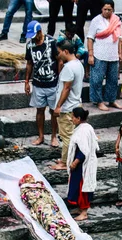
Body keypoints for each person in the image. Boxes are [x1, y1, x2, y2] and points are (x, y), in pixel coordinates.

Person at [19, 174, 86, 240]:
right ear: (25, 181)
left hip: (51, 207)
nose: (31, 178)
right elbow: (30, 201)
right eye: (28, 178)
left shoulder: (41, 186)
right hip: (42, 209)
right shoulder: (25, 190)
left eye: (32, 177)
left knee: (62, 223)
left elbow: (49, 197)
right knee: (52, 225)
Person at [24, 21, 61, 147]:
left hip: (52, 83)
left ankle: (54, 136)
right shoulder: (30, 45)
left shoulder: (51, 42)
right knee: (39, 110)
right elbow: (29, 63)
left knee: (53, 112)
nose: (34, 38)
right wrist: (26, 81)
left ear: (40, 32)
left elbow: (59, 60)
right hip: (38, 83)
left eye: (35, 35)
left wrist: (60, 79)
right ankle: (41, 136)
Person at [51, 40, 84, 170]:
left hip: (67, 107)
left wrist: (58, 106)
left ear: (65, 51)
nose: (58, 55)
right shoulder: (78, 64)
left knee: (66, 136)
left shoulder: (69, 67)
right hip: (75, 104)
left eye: (59, 53)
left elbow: (66, 88)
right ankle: (65, 158)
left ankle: (65, 162)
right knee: (70, 135)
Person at [87, 0, 122, 112]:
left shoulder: (116, 20)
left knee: (113, 79)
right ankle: (99, 101)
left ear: (113, 10)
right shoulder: (96, 20)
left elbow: (119, 38)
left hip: (113, 55)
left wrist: (120, 52)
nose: (107, 11)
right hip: (99, 54)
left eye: (110, 10)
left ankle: (111, 100)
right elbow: (90, 38)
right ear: (101, 9)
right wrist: (91, 54)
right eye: (105, 9)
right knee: (97, 80)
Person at [67, 107, 99, 221]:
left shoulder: (84, 130)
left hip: (82, 165)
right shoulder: (86, 127)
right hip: (81, 164)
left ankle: (84, 212)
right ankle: (80, 208)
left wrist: (75, 162)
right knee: (77, 186)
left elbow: (83, 150)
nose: (72, 119)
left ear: (78, 118)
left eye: (73, 117)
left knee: (83, 187)